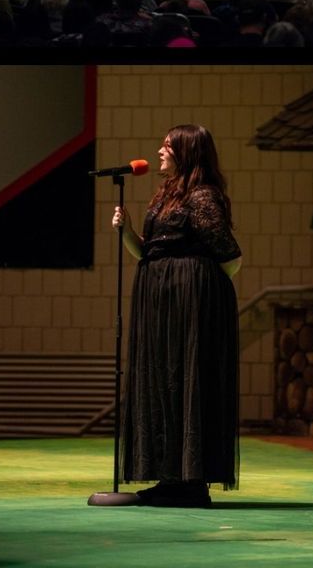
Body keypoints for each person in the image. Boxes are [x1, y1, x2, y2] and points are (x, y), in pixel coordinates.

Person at [113, 124, 241, 507]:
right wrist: (127, 232)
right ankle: (171, 477)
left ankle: (191, 482)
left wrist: (196, 291)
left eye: (167, 146)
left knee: (186, 381)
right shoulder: (166, 195)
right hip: (161, 301)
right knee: (162, 382)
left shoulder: (202, 196)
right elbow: (149, 252)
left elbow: (230, 258)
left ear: (186, 152)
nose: (159, 151)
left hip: (189, 303)